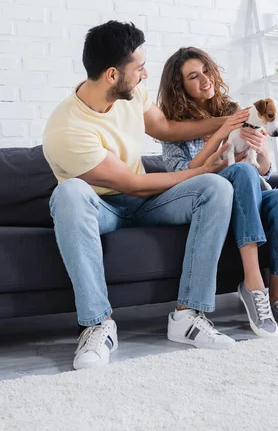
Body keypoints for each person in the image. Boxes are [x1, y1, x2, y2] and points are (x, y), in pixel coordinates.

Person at [43, 21, 251, 370]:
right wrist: (203, 169)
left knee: (217, 188)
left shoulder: (130, 93)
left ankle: (187, 317)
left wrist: (226, 122)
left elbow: (166, 128)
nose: (145, 74)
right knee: (68, 194)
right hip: (103, 207)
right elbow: (131, 185)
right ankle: (98, 324)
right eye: (138, 68)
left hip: (146, 202)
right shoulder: (66, 129)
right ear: (112, 74)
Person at [158, 47, 278, 337]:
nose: (205, 80)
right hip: (214, 195)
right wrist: (222, 152)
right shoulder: (172, 127)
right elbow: (180, 175)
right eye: (194, 76)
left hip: (250, 187)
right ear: (180, 87)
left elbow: (263, 170)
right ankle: (253, 285)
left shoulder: (235, 110)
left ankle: (277, 299)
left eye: (206, 70)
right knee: (239, 172)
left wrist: (261, 149)